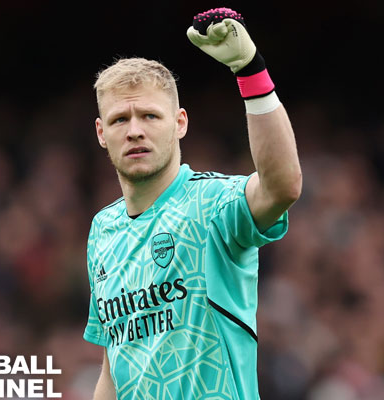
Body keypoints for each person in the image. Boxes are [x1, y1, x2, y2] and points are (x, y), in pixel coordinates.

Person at [83, 7, 302, 400]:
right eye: (119, 120)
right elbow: (112, 367)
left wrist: (250, 70)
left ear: (180, 122)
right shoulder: (103, 229)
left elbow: (281, 187)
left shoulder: (211, 204)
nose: (135, 131)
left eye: (150, 116)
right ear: (101, 133)